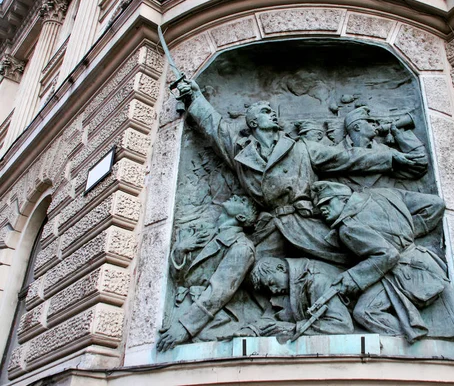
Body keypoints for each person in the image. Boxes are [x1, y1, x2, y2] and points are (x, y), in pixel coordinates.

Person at [178, 79, 425, 265]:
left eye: (271, 111)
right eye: (265, 111)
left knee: (359, 256)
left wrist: (391, 157)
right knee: (247, 268)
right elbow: (215, 127)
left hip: (306, 222)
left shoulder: (302, 148)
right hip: (270, 226)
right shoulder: (240, 152)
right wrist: (194, 98)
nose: (272, 113)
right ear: (253, 123)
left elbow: (348, 158)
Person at [312, 181, 454, 342]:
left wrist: (353, 278)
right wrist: (405, 234)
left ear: (343, 199)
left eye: (327, 202)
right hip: (422, 260)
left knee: (365, 312)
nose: (322, 209)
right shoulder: (383, 193)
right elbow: (436, 204)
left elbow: (388, 255)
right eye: (319, 206)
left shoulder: (348, 227)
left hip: (400, 272)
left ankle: (410, 345)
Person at [157, 195, 262, 351]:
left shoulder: (242, 247)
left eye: (242, 200)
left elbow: (219, 292)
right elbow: (180, 279)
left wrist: (185, 327)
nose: (235, 196)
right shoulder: (204, 234)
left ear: (241, 217)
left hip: (206, 318)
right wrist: (180, 250)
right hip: (179, 306)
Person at [242, 256, 354, 337]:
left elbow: (342, 325)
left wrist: (293, 328)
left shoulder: (316, 280)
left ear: (281, 268)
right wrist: (253, 329)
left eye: (271, 283)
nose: (273, 290)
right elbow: (273, 316)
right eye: (268, 288)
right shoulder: (287, 284)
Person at [333, 106, 428, 191]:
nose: (375, 125)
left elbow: (419, 165)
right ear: (357, 127)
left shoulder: (384, 150)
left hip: (386, 205)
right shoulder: (335, 153)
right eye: (370, 122)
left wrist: (400, 136)